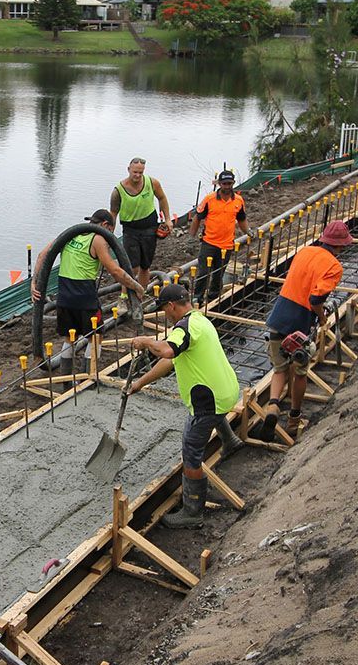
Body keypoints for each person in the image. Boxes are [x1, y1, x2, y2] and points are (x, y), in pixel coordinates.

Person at [129, 284, 243, 529]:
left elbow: (167, 350)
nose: (165, 315)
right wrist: (140, 383)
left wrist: (147, 341)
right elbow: (169, 362)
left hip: (210, 400)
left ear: (171, 306)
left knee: (191, 448)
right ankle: (231, 441)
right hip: (227, 392)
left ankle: (193, 511)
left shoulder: (184, 327)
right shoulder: (200, 320)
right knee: (213, 414)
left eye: (164, 310)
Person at [261, 220, 353, 438]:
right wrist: (321, 318)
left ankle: (272, 406)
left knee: (279, 368)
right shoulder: (334, 267)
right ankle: (293, 419)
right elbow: (315, 299)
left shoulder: (304, 251)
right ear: (341, 245)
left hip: (279, 314)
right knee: (300, 371)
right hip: (300, 322)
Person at [31, 209, 145, 370]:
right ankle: (90, 379)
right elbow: (115, 271)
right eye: (111, 232)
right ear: (106, 225)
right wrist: (137, 287)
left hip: (63, 297)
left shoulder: (69, 235)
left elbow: (43, 255)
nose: (110, 237)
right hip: (85, 297)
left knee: (70, 338)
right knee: (96, 336)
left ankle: (67, 381)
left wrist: (34, 283)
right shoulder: (98, 239)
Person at [109, 157, 172, 296]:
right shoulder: (118, 190)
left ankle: (141, 295)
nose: (137, 175)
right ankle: (124, 296)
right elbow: (113, 213)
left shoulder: (152, 183)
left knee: (145, 265)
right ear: (128, 170)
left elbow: (162, 198)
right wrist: (109, 234)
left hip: (150, 228)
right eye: (135, 172)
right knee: (132, 266)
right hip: (130, 230)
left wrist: (167, 219)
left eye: (140, 172)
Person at [189, 170, 250, 303]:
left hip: (226, 245)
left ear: (233, 183)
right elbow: (197, 218)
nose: (227, 186)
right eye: (224, 183)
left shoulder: (238, 200)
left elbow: (241, 219)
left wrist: (248, 232)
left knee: (218, 274)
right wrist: (191, 236)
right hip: (209, 243)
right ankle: (197, 297)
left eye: (229, 183)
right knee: (203, 272)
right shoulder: (209, 199)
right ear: (219, 184)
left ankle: (213, 298)